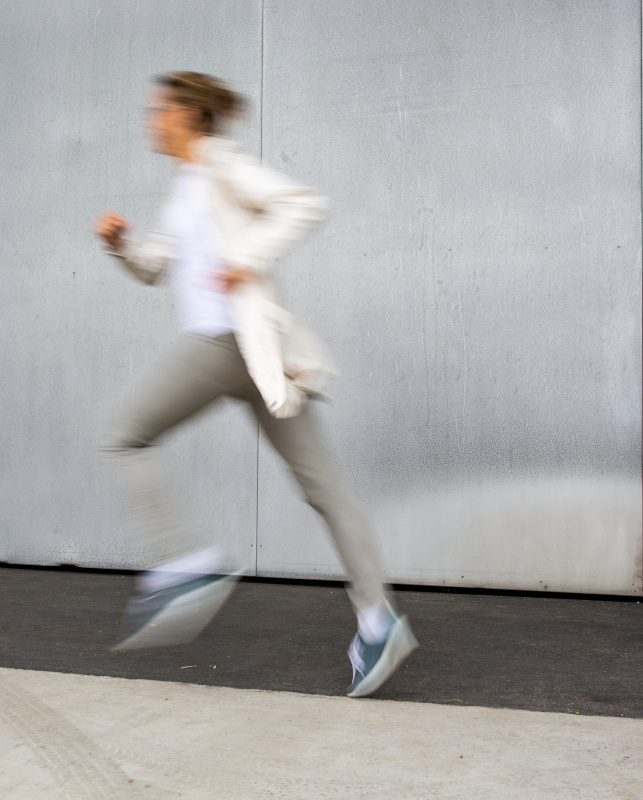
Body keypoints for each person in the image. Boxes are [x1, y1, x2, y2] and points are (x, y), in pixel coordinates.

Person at [94, 71, 416, 697]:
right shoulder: (185, 184)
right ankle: (379, 622)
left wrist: (248, 260)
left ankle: (188, 566)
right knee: (326, 490)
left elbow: (303, 203)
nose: (150, 122)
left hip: (224, 345)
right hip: (254, 358)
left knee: (122, 438)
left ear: (187, 113)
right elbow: (155, 268)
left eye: (157, 111)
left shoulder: (220, 166)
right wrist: (119, 243)